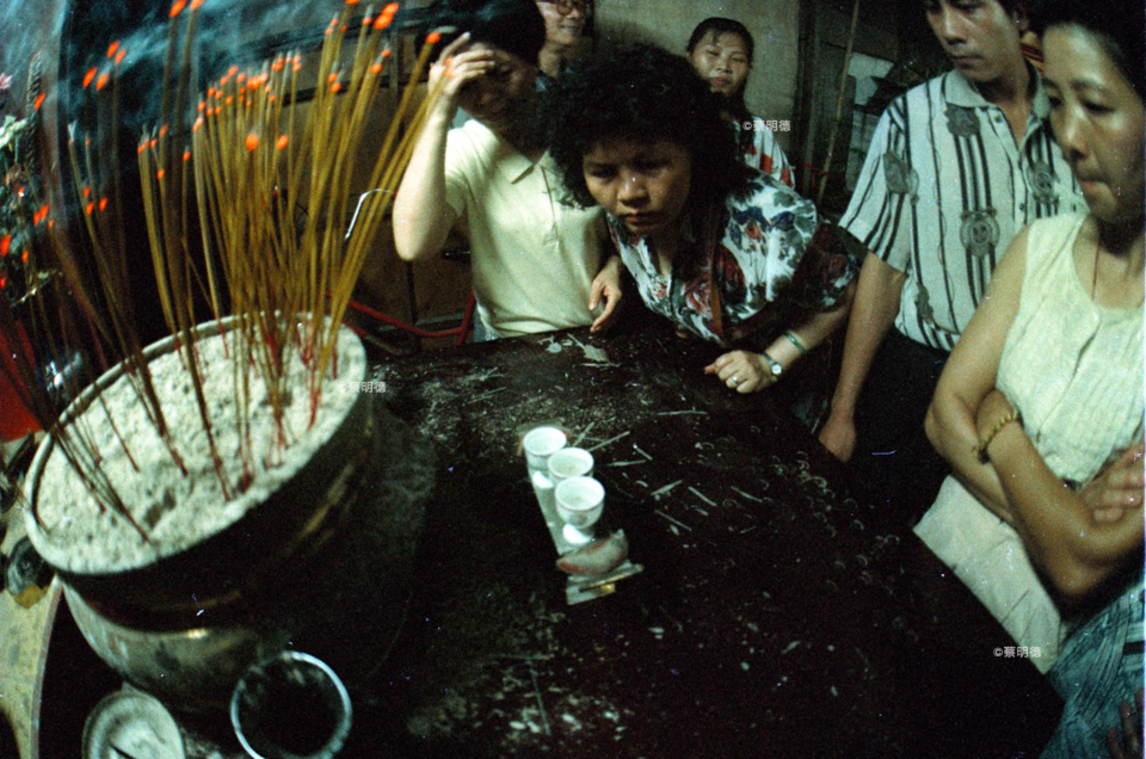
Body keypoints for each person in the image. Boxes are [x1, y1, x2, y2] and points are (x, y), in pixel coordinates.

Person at [917, 0, 1143, 754]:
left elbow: (1077, 571)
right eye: (1055, 101)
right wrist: (1059, 511)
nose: (1068, 136)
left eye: (1097, 106)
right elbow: (940, 414)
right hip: (926, 568)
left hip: (1025, 654)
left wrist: (999, 425)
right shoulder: (1037, 248)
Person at [817, 0, 1085, 516]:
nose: (949, 30)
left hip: (1036, 391)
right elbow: (885, 271)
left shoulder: (1075, 120)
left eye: (967, 7)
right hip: (921, 379)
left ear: (1019, 14)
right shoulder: (912, 119)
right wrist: (842, 412)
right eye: (934, 10)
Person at [548, 44, 855, 401]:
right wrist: (615, 265)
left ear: (694, 151)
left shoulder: (775, 221)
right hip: (705, 373)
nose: (629, 194)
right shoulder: (628, 214)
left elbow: (844, 294)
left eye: (650, 165)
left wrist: (772, 361)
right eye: (603, 172)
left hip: (786, 387)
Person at [392, 0, 622, 339]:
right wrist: (438, 111)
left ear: (533, 59)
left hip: (612, 332)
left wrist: (617, 266)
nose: (487, 98)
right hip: (514, 345)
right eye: (466, 85)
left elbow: (633, 219)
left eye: (501, 74)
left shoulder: (582, 125)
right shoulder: (462, 150)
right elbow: (414, 245)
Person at [685, 17, 793, 187]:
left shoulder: (758, 131)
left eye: (737, 59)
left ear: (748, 68)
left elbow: (784, 190)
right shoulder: (666, 120)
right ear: (689, 56)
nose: (724, 66)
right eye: (713, 53)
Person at [534, 0, 590, 82]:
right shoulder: (519, 79)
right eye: (563, 4)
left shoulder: (582, 78)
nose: (576, 15)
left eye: (580, 6)